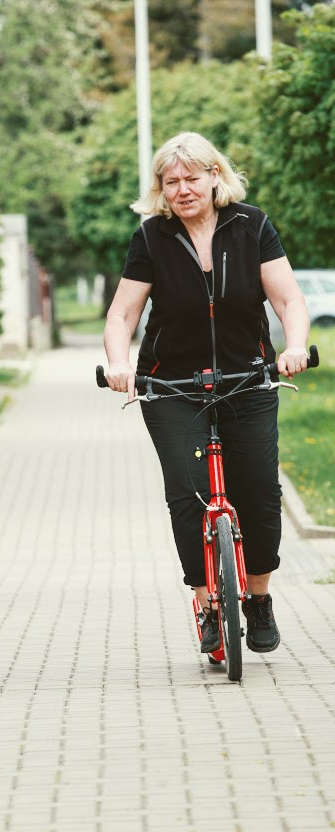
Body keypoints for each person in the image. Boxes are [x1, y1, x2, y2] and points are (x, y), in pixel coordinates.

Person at [104, 132, 310, 655]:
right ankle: (208, 606)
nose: (183, 189)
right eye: (171, 182)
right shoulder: (151, 237)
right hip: (171, 385)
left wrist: (296, 347)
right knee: (188, 494)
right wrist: (119, 363)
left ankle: (258, 598)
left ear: (215, 176)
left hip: (249, 377)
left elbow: (287, 299)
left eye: (192, 178)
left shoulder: (252, 224)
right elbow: (124, 313)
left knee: (260, 492)